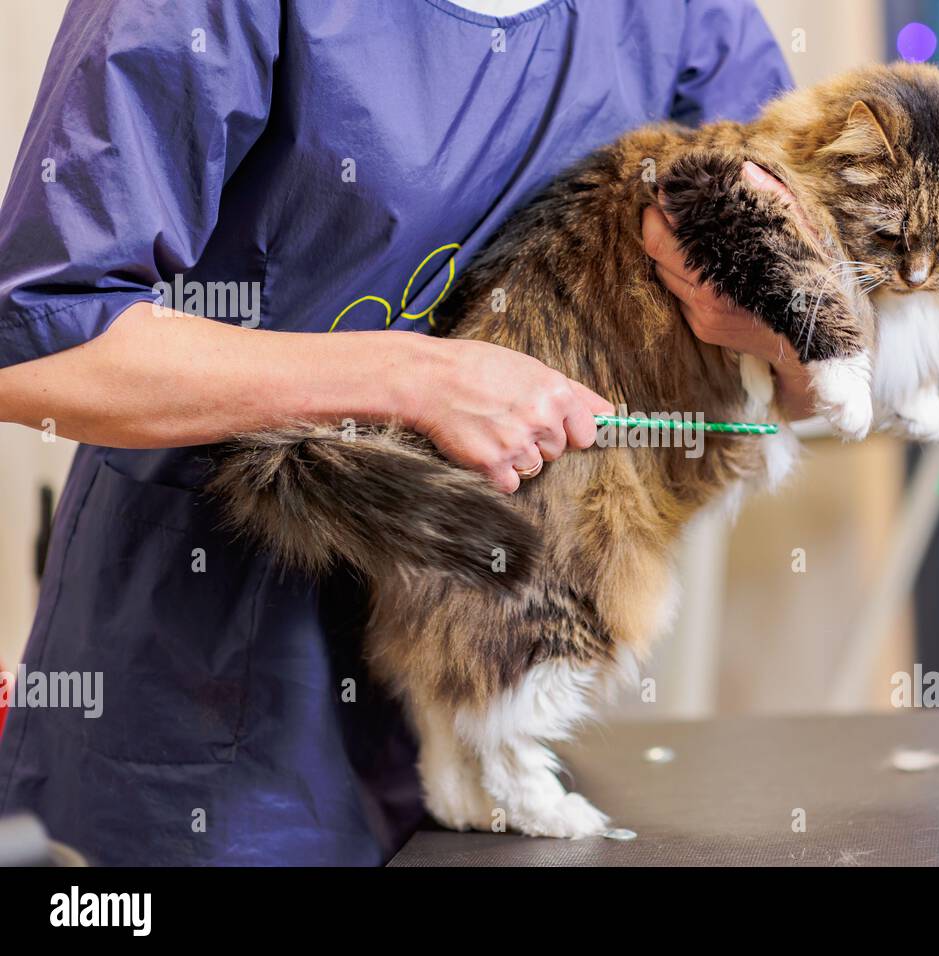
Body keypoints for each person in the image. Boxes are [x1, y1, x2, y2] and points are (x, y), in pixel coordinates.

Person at [0, 0, 813, 865]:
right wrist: (414, 381)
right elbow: (35, 346)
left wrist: (777, 324)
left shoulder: (678, 17)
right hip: (219, 675)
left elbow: (813, 361)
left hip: (499, 646)